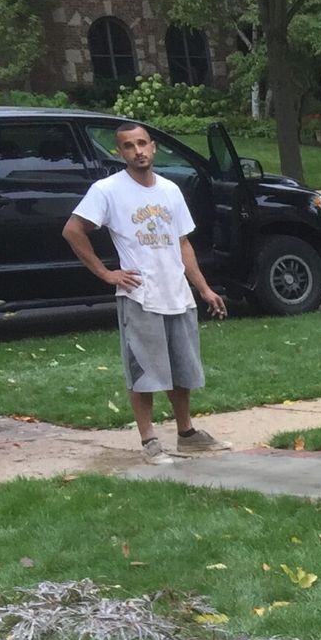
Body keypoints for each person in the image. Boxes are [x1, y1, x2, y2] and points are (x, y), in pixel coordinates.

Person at [61, 120, 230, 465]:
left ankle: (187, 434)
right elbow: (73, 230)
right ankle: (150, 440)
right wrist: (107, 274)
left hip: (176, 293)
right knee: (145, 372)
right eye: (128, 146)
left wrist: (203, 288)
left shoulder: (170, 189)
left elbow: (182, 243)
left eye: (142, 144)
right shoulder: (108, 190)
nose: (137, 151)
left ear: (153, 147)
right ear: (119, 152)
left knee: (181, 369)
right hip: (140, 295)